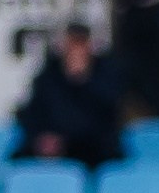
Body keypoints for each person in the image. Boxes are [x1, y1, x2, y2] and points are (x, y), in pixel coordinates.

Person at [13, 22, 125, 169]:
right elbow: (33, 113)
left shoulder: (106, 74)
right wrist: (41, 138)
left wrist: (82, 80)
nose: (75, 52)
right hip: (51, 146)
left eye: (80, 44)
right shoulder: (48, 75)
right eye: (71, 44)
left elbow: (106, 114)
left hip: (93, 149)